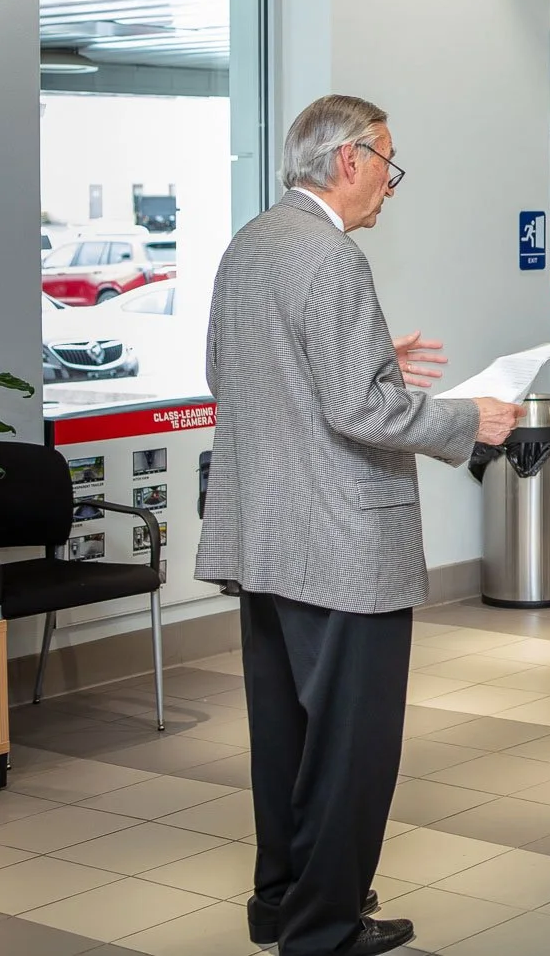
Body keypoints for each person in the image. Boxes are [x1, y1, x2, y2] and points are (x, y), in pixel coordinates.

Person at [200, 95, 523, 956]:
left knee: (285, 737)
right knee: (350, 746)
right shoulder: (332, 258)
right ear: (348, 160)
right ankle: (323, 928)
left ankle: (280, 902)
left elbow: (230, 373)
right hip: (342, 541)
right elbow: (357, 409)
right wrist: (466, 421)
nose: (391, 182)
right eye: (389, 161)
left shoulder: (251, 243)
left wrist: (380, 362)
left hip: (265, 537)